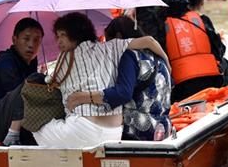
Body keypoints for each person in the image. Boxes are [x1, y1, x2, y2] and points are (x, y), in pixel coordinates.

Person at [31, 12, 170, 148]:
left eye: (63, 35)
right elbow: (149, 41)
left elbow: (50, 81)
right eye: (57, 36)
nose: (58, 41)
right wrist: (167, 62)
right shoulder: (111, 47)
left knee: (36, 127)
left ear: (75, 34)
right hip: (114, 132)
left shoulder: (65, 57)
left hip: (82, 130)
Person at [66, 16, 172, 141]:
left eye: (109, 40)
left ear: (118, 36)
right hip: (163, 128)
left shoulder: (130, 56)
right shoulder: (159, 58)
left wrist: (81, 97)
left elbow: (122, 93)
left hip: (139, 132)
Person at [0, 18, 44, 145]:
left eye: (36, 40)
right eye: (26, 39)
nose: (31, 45)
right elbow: (19, 93)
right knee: (36, 80)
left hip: (20, 118)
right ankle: (12, 135)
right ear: (14, 39)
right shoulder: (5, 59)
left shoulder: (32, 60)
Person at [164, 0, 228, 102]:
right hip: (211, 79)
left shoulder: (162, 28)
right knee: (225, 63)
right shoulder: (202, 20)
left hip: (181, 87)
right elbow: (219, 50)